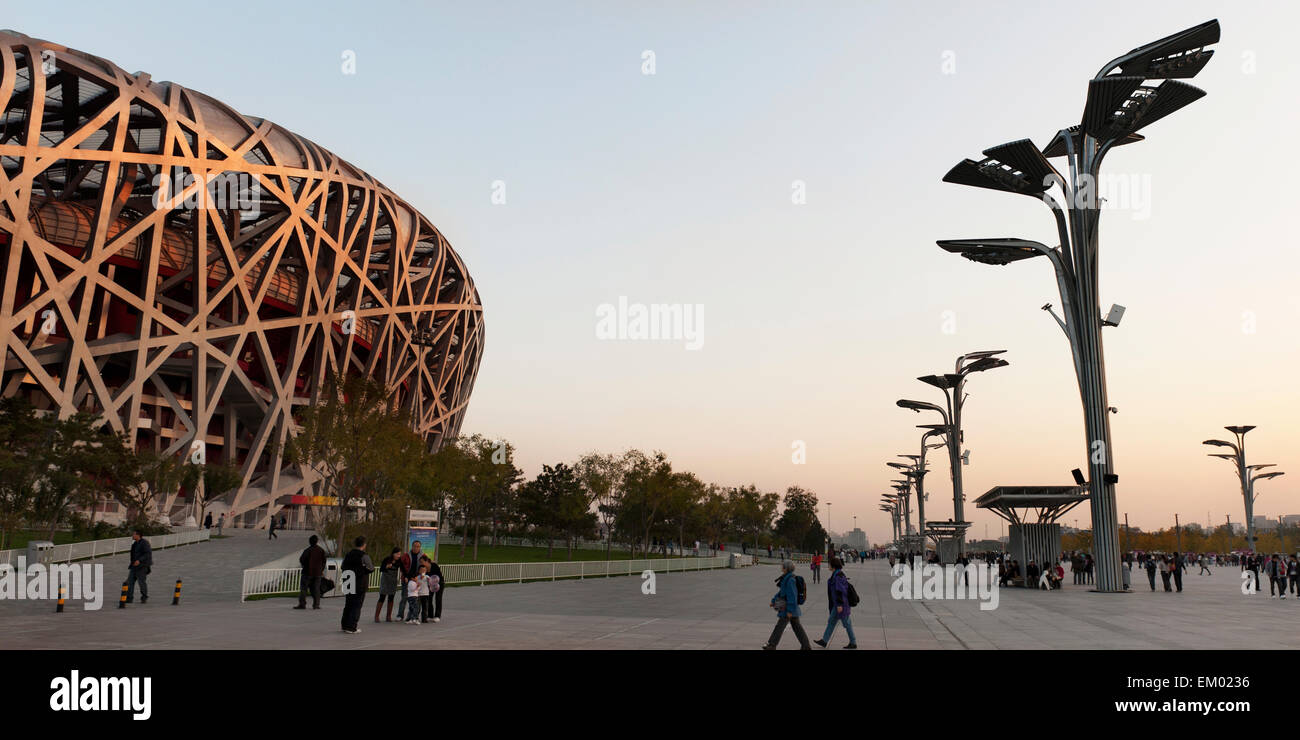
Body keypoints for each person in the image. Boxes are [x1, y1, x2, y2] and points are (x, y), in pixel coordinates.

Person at [762, 560, 810, 650]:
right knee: (797, 628)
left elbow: (792, 596)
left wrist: (790, 610)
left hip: (788, 608)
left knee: (780, 626)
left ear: (786, 568)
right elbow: (781, 592)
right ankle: (806, 646)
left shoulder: (790, 580)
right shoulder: (786, 578)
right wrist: (773, 601)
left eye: (782, 566)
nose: (781, 567)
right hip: (788, 607)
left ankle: (772, 645)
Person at [813, 557, 856, 649]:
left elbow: (840, 591)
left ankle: (853, 642)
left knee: (846, 623)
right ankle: (824, 641)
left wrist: (840, 605)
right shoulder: (836, 575)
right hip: (837, 605)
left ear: (833, 565)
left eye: (829, 564)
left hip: (841, 605)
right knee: (831, 621)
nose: (828, 566)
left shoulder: (838, 576)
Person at [340, 536, 374, 634]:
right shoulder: (364, 556)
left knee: (348, 604)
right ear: (364, 545)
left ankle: (344, 625)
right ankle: (352, 627)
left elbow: (343, 566)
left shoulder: (348, 554)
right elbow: (371, 568)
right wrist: (363, 570)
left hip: (347, 580)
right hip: (359, 583)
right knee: (357, 605)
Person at [294, 534, 326, 610]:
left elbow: (302, 559)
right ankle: (316, 605)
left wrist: (305, 566)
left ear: (310, 542)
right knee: (316, 589)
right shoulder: (321, 550)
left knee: (304, 589)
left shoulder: (307, 550)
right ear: (317, 542)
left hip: (307, 573)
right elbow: (324, 561)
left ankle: (302, 604)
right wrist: (321, 569)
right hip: (318, 573)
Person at [396, 541, 424, 622]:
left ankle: (414, 616)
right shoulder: (406, 555)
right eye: (414, 546)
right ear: (412, 546)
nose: (416, 548)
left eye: (418, 546)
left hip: (417, 579)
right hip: (406, 579)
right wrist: (406, 576)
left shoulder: (423, 556)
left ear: (420, 547)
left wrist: (420, 577)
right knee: (404, 597)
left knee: (416, 599)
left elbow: (425, 566)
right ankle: (400, 615)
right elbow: (401, 566)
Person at [374, 547, 402, 622]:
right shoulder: (387, 559)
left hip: (393, 581)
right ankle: (376, 616)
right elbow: (381, 569)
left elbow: (403, 569)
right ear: (393, 553)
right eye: (397, 554)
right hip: (385, 580)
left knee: (391, 597)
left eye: (399, 554)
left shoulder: (399, 561)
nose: (398, 556)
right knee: (382, 597)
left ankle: (388, 616)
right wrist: (387, 566)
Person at [125, 530, 152, 603]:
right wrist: (132, 563)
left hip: (142, 566)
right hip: (134, 566)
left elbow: (147, 554)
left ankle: (144, 597)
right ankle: (129, 598)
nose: (132, 535)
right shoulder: (134, 544)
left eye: (133, 534)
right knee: (130, 582)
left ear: (138, 535)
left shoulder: (144, 543)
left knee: (141, 582)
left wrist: (139, 560)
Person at [426, 556, 445, 622]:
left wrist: (434, 583)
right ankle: (430, 615)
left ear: (427, 562)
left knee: (438, 599)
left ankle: (437, 616)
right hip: (430, 584)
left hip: (439, 583)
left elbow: (438, 576)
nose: (422, 564)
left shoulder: (434, 565)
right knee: (429, 598)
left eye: (422, 562)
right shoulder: (423, 568)